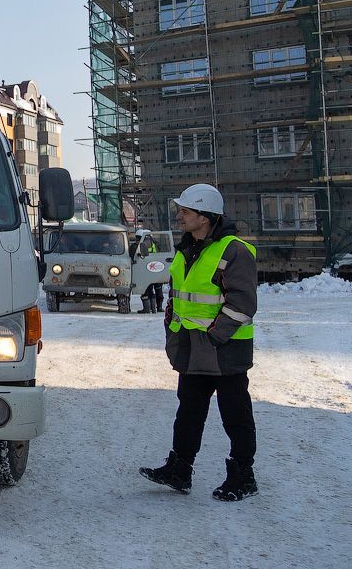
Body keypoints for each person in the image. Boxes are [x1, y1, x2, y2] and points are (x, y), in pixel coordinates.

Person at [139, 183, 259, 502]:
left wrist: (215, 336)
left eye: (186, 211)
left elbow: (243, 303)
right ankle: (179, 469)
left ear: (205, 217)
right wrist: (170, 320)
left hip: (225, 348)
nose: (179, 216)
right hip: (192, 347)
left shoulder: (234, 251)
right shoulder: (187, 248)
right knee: (189, 410)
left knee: (234, 413)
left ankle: (243, 476)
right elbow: (178, 294)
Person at [135, 229, 165, 314]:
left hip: (144, 269)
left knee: (147, 289)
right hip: (157, 268)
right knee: (158, 289)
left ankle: (147, 308)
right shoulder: (156, 244)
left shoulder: (140, 245)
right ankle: (157, 308)